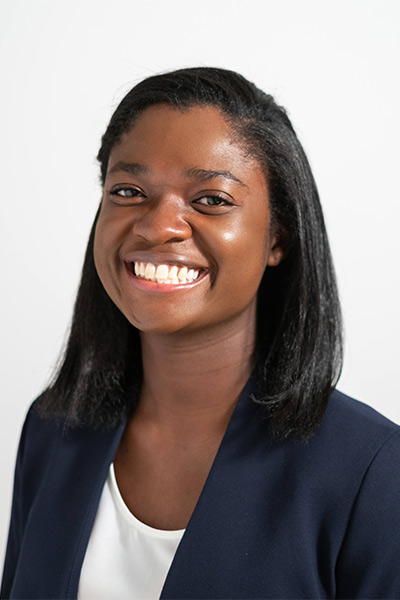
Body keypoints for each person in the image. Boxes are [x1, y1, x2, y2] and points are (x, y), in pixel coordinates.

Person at [1, 67, 400, 600]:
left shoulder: (374, 471)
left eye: (210, 199)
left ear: (277, 237)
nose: (157, 225)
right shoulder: (54, 428)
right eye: (128, 190)